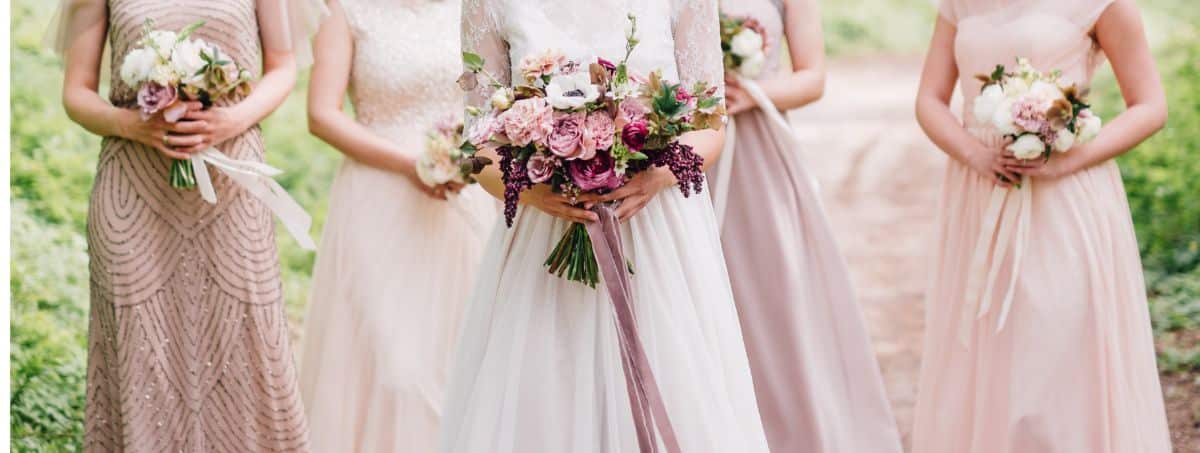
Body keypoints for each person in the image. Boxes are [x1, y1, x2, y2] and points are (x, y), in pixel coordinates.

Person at [438, 0, 770, 451]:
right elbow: (477, 145)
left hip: (656, 235)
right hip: (544, 242)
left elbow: (710, 124)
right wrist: (535, 189)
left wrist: (658, 174)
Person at [51, 0, 324, 450]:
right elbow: (76, 92)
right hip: (134, 190)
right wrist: (130, 124)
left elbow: (283, 67)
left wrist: (231, 118)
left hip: (232, 182)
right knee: (142, 353)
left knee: (245, 342)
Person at [911, 0, 1172, 451]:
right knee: (987, 353)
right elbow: (929, 100)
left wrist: (1065, 163)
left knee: (1054, 354)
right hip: (981, 192)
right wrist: (976, 154)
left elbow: (1149, 106)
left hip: (1065, 199)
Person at [298, 0, 495, 450]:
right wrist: (411, 164)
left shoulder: (473, 7)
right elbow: (321, 115)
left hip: (465, 202)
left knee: (460, 353)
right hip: (379, 199)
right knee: (395, 363)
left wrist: (469, 159)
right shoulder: (346, 9)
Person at [711, 0, 904, 451]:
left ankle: (791, 432)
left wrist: (750, 93)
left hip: (760, 152)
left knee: (774, 294)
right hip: (690, 152)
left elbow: (812, 77)